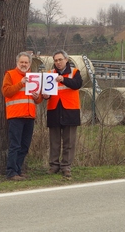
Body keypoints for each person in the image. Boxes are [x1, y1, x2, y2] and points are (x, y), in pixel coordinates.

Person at [2, 51, 43, 181]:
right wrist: (20, 83)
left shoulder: (34, 77)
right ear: (17, 63)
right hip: (15, 115)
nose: (24, 64)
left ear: (30, 63)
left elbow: (38, 99)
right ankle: (11, 172)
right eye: (22, 62)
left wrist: (38, 97)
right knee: (15, 145)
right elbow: (6, 92)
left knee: (25, 146)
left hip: (29, 115)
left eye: (26, 62)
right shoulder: (10, 74)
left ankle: (18, 171)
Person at [43, 50, 83, 178]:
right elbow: (46, 92)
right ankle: (54, 165)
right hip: (54, 110)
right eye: (56, 60)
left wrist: (63, 79)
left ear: (66, 60)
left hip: (70, 111)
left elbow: (77, 84)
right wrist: (45, 96)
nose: (58, 62)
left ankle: (66, 166)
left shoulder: (75, 72)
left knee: (69, 141)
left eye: (60, 59)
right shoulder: (49, 74)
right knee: (54, 141)